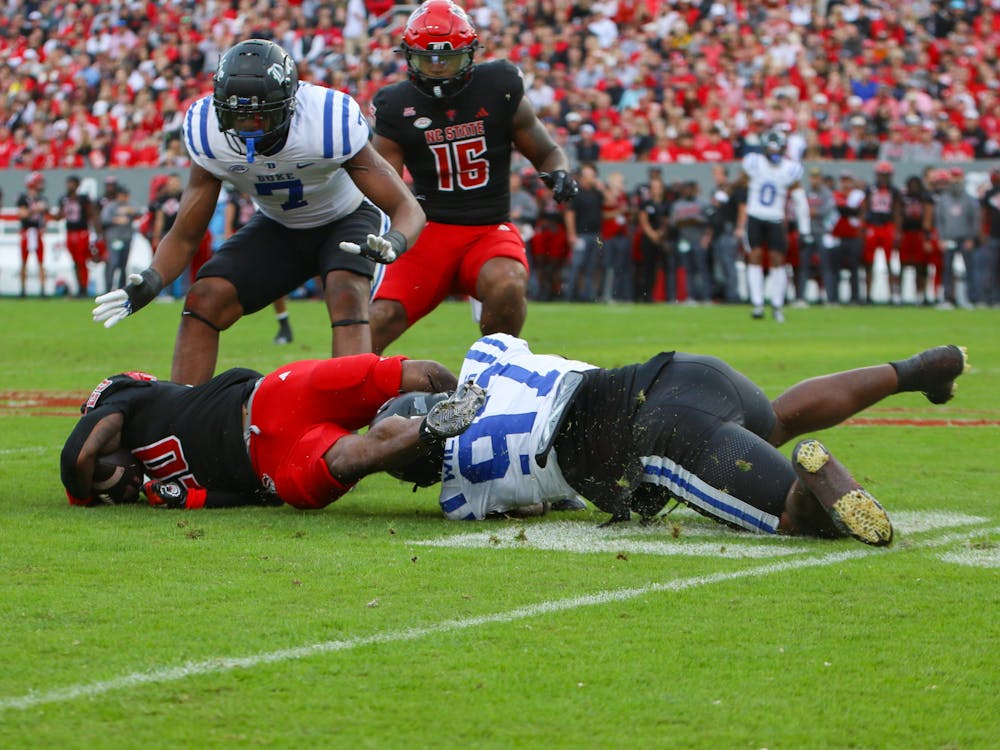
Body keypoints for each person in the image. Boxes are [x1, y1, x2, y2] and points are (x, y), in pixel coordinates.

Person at [381, 334, 969, 546]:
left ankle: (809, 487)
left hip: (656, 435)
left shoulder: (459, 493)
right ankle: (914, 370)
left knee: (794, 522)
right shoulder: (486, 357)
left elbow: (541, 499)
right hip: (681, 373)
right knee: (779, 417)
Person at [92, 39, 425, 385]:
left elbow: (407, 207)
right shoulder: (207, 131)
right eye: (236, 115)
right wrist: (151, 280)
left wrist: (395, 240)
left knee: (346, 292)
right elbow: (185, 234)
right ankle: (184, 420)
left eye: (258, 116)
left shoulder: (326, 120)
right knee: (205, 298)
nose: (247, 127)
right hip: (279, 223)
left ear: (289, 104)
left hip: (347, 216)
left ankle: (351, 420)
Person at [367, 0, 578, 353]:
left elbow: (546, 151)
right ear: (407, 56)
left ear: (470, 54)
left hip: (487, 229)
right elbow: (382, 183)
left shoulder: (498, 86)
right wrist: (388, 233)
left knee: (508, 283)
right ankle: (346, 396)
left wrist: (559, 172)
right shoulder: (395, 105)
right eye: (427, 60)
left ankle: (497, 377)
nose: (437, 70)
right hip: (427, 233)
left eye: (447, 59)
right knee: (376, 320)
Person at [61, 354, 485, 511]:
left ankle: (435, 424)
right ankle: (483, 401)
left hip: (269, 433)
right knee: (392, 376)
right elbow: (237, 498)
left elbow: (77, 457)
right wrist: (189, 498)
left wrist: (82, 496)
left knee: (355, 456)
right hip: (275, 404)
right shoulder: (160, 482)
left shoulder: (123, 400)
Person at [734, 128, 811, 322]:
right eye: (771, 149)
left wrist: (805, 229)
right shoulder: (754, 163)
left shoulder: (789, 169)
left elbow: (800, 199)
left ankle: (777, 304)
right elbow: (739, 182)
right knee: (755, 257)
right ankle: (758, 303)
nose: (774, 153)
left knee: (778, 259)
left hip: (776, 218)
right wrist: (725, 194)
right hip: (755, 216)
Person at [223, 187, 294, 345]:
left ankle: (285, 327)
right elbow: (228, 230)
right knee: (232, 287)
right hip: (243, 246)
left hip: (263, 243)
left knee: (275, 286)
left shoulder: (260, 196)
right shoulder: (234, 200)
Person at [934, 167, 980, 309]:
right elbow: (939, 220)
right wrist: (941, 238)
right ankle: (948, 298)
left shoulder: (969, 199)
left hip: (965, 238)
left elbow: (975, 219)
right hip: (949, 238)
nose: (955, 181)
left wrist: (971, 238)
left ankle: (970, 299)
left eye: (957, 177)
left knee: (969, 269)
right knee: (947, 269)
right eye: (953, 177)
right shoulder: (943, 199)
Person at [863, 161, 903, 304]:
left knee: (889, 261)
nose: (883, 178)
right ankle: (868, 294)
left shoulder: (894, 191)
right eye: (881, 175)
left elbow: (897, 211)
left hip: (887, 225)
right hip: (873, 225)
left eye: (886, 175)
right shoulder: (870, 189)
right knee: (869, 262)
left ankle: (892, 295)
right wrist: (863, 227)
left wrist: (897, 231)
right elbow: (865, 208)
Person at [55, 175, 102, 298]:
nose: (69, 186)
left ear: (77, 185)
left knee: (82, 261)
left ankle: (84, 288)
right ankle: (80, 287)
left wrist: (97, 232)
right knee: (75, 262)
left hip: (82, 232)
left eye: (72, 183)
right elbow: (59, 216)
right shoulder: (64, 198)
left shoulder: (83, 199)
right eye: (68, 183)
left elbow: (91, 214)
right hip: (70, 232)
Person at [897, 175, 936, 305]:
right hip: (906, 233)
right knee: (903, 264)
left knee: (921, 266)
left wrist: (926, 235)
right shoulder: (903, 198)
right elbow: (898, 214)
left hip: (919, 233)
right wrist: (898, 232)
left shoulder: (925, 197)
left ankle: (921, 294)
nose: (913, 187)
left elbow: (928, 216)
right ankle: (899, 295)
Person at [100, 184, 141, 293]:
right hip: (114, 238)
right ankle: (108, 288)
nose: (125, 197)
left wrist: (129, 210)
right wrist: (116, 219)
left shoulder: (130, 205)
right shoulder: (111, 206)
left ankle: (121, 288)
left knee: (123, 264)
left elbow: (139, 212)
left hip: (126, 238)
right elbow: (104, 220)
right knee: (113, 263)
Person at [16, 171, 50, 298]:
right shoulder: (23, 198)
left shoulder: (42, 198)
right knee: (24, 262)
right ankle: (23, 290)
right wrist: (34, 209)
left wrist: (44, 226)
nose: (41, 185)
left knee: (41, 261)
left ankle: (42, 289)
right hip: (27, 231)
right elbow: (22, 214)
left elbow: (45, 216)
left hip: (37, 232)